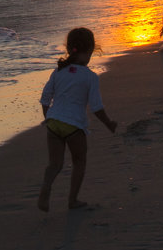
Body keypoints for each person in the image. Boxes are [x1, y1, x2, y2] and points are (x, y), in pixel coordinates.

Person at [37, 27, 117, 212]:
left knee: (54, 164)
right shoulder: (90, 77)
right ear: (90, 51)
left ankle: (46, 187)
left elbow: (45, 98)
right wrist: (109, 123)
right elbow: (96, 107)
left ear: (69, 48)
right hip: (74, 126)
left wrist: (49, 118)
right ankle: (72, 200)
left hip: (53, 124)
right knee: (79, 162)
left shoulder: (58, 72)